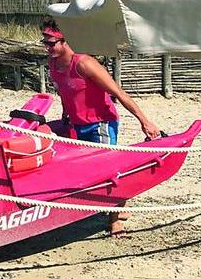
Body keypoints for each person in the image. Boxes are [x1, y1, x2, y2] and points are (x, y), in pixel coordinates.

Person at [41, 17, 161, 237]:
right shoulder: (53, 63)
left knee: (109, 171)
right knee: (83, 170)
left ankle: (115, 222)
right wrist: (66, 114)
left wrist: (144, 121)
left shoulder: (84, 64)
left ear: (65, 40)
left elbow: (118, 93)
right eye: (45, 42)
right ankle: (111, 207)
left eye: (51, 43)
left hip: (101, 124)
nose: (47, 47)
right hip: (77, 124)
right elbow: (65, 92)